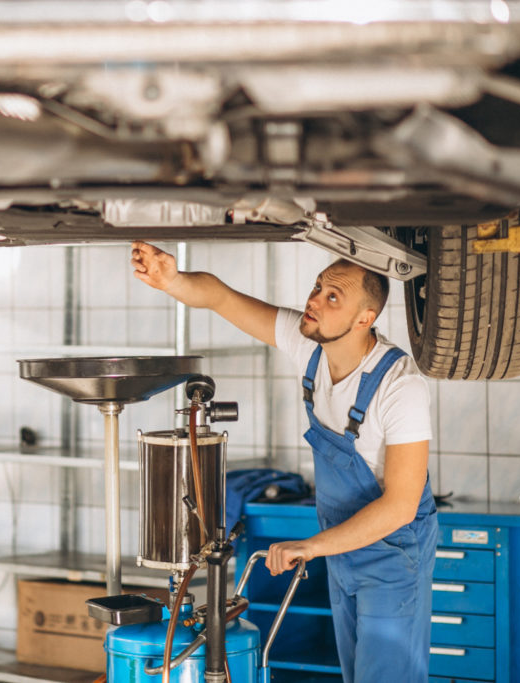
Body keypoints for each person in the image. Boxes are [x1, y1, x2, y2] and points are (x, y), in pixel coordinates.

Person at [130, 240, 437, 683]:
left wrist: (310, 546)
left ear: (364, 319)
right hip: (344, 548)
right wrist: (172, 280)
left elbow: (401, 505)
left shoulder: (399, 387)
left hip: (393, 553)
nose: (313, 300)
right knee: (358, 674)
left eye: (334, 297)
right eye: (317, 287)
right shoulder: (309, 346)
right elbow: (220, 296)